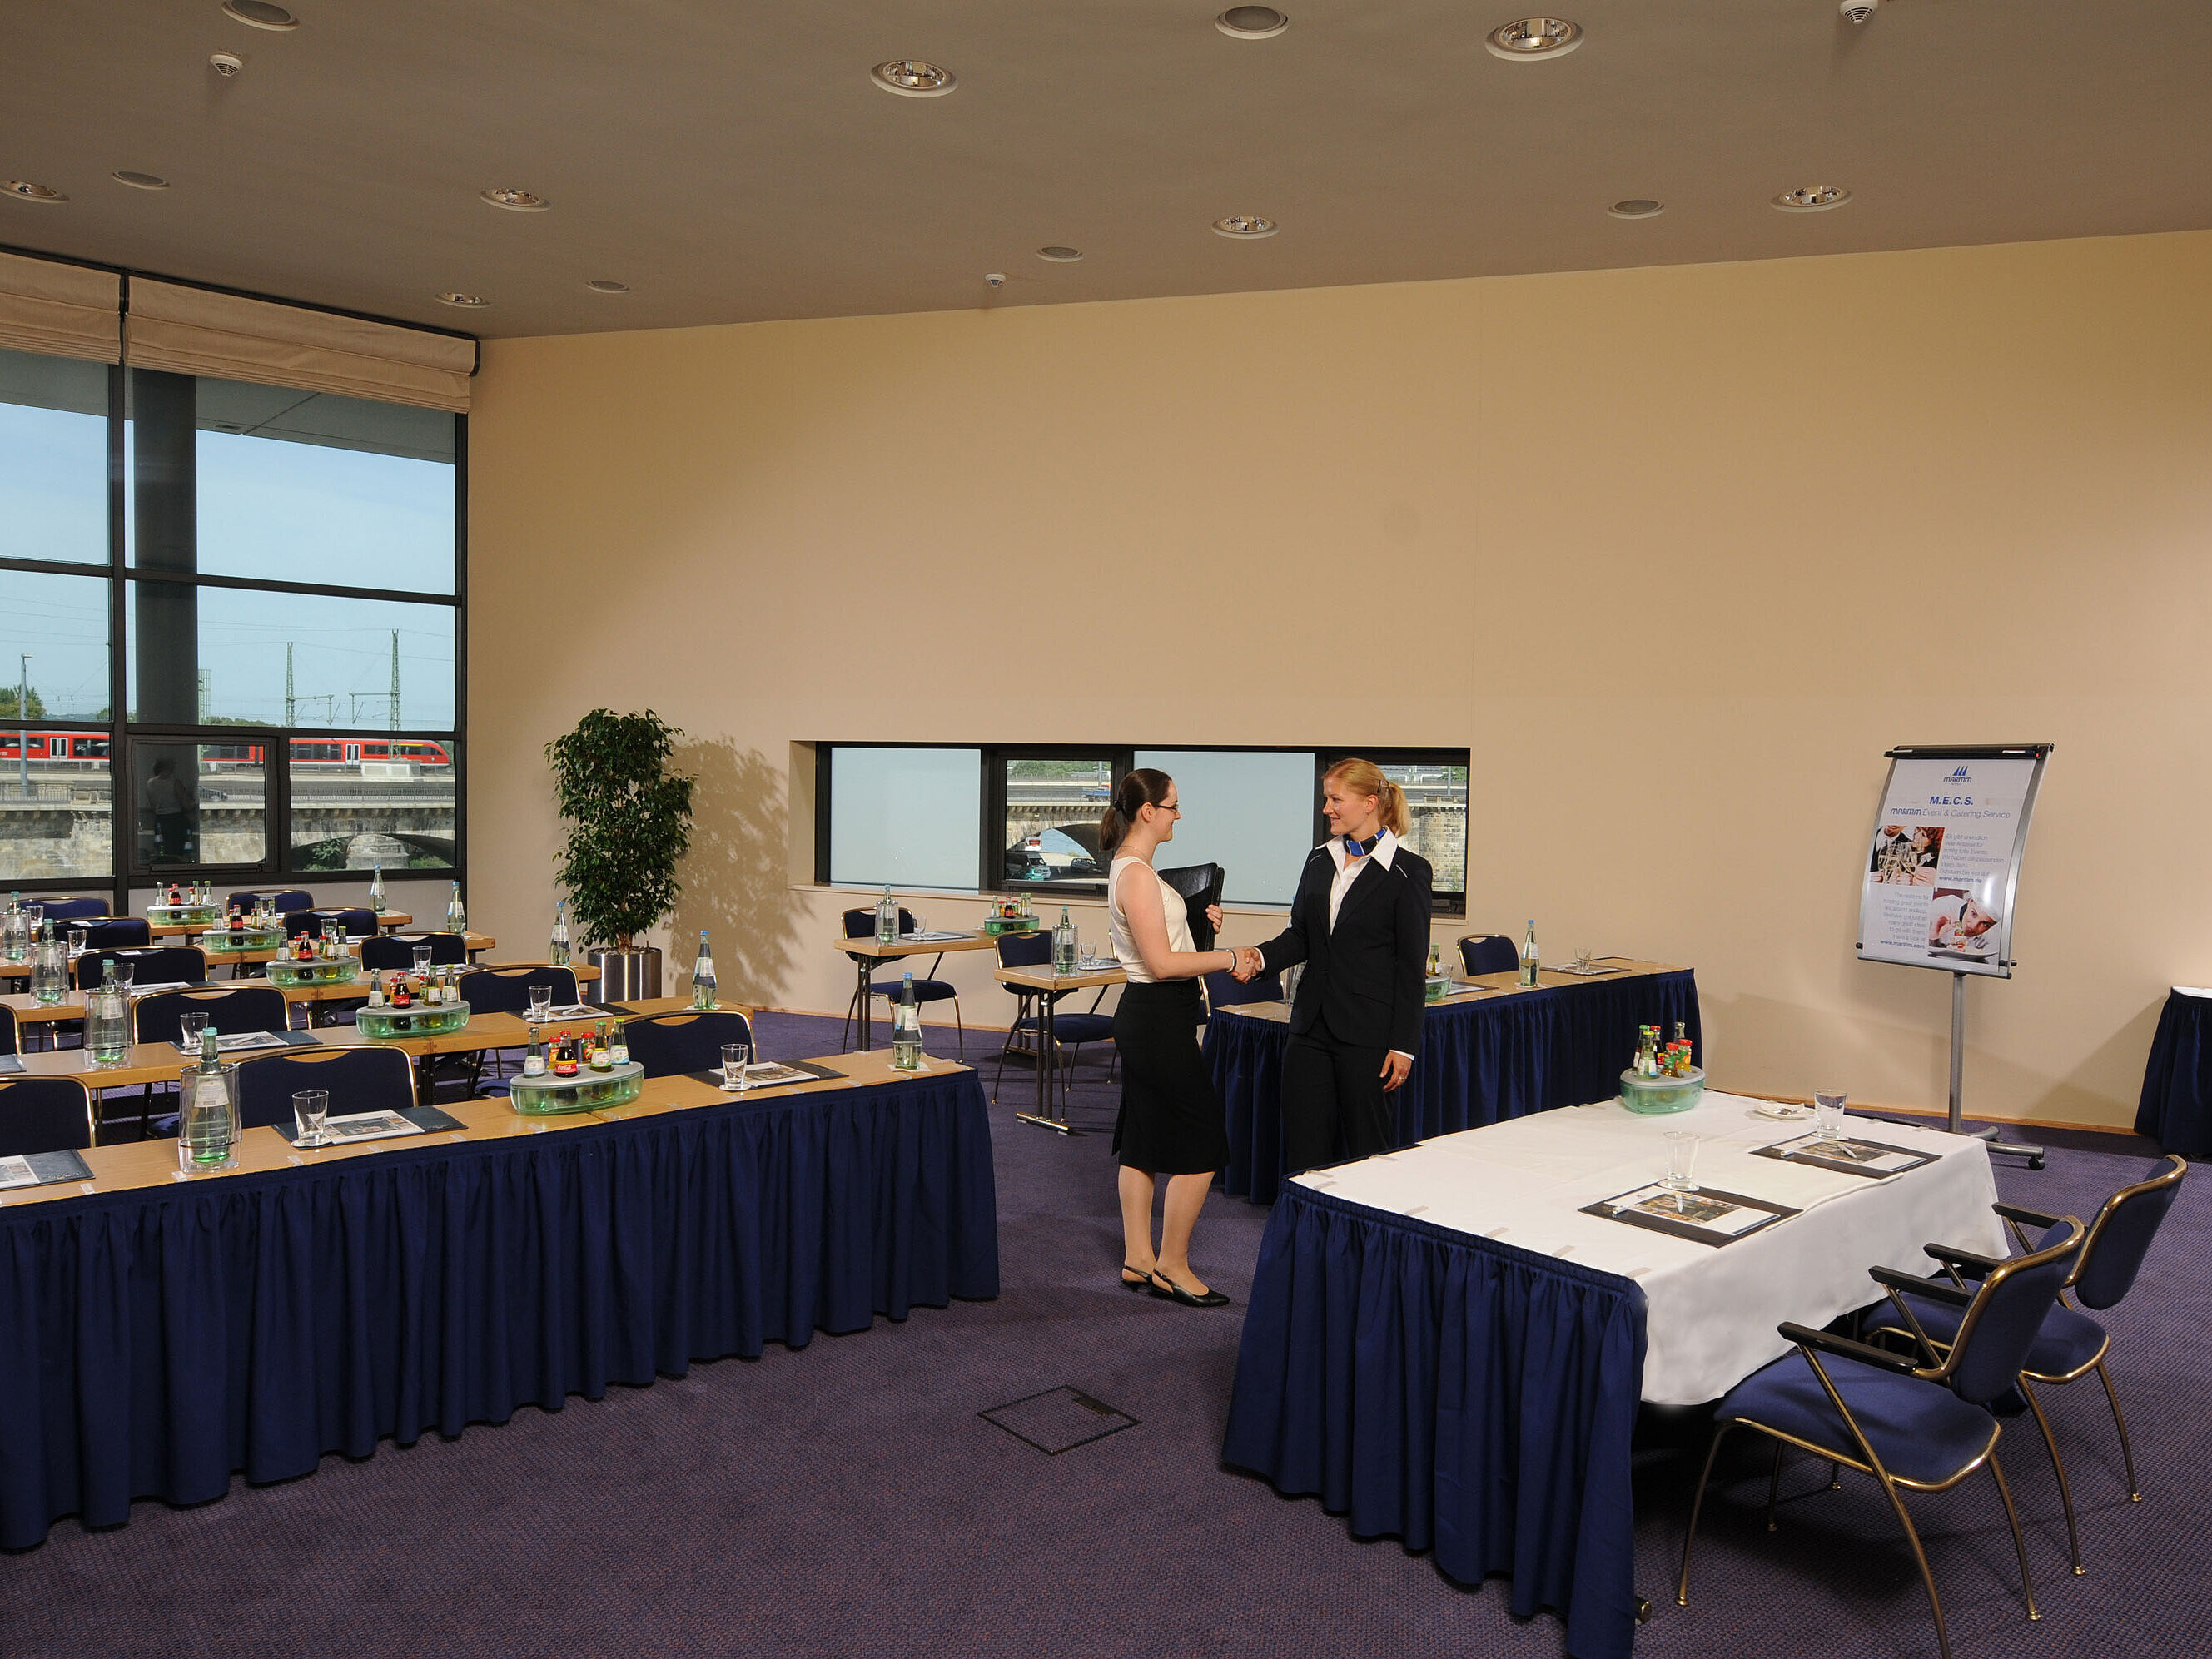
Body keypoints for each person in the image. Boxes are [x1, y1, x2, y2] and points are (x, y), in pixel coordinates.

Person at [1237, 757, 1433, 1174]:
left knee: (1369, 1152)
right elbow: (1301, 936)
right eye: (1326, 798)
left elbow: (1409, 966)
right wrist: (1260, 958)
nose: (1326, 808)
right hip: (1309, 1029)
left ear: (1370, 803)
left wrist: (1404, 1045)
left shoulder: (1407, 872)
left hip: (1370, 1036)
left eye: (1334, 799)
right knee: (1304, 1150)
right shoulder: (1319, 860)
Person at [1101, 768, 1239, 1309]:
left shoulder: (1135, 872)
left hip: (1151, 1014)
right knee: (1202, 1142)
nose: (1178, 815)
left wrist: (1200, 930)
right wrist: (1230, 957)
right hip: (1157, 1015)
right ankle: (1172, 1266)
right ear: (1146, 812)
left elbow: (1165, 946)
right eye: (1173, 806)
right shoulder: (1136, 874)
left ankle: (1139, 1257)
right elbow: (1160, 963)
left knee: (1140, 1137)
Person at [144, 757, 192, 862]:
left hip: (160, 818)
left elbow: (152, 804)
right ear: (168, 767)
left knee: (162, 848)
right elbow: (187, 804)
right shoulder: (175, 783)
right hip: (176, 819)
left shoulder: (150, 783)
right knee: (177, 849)